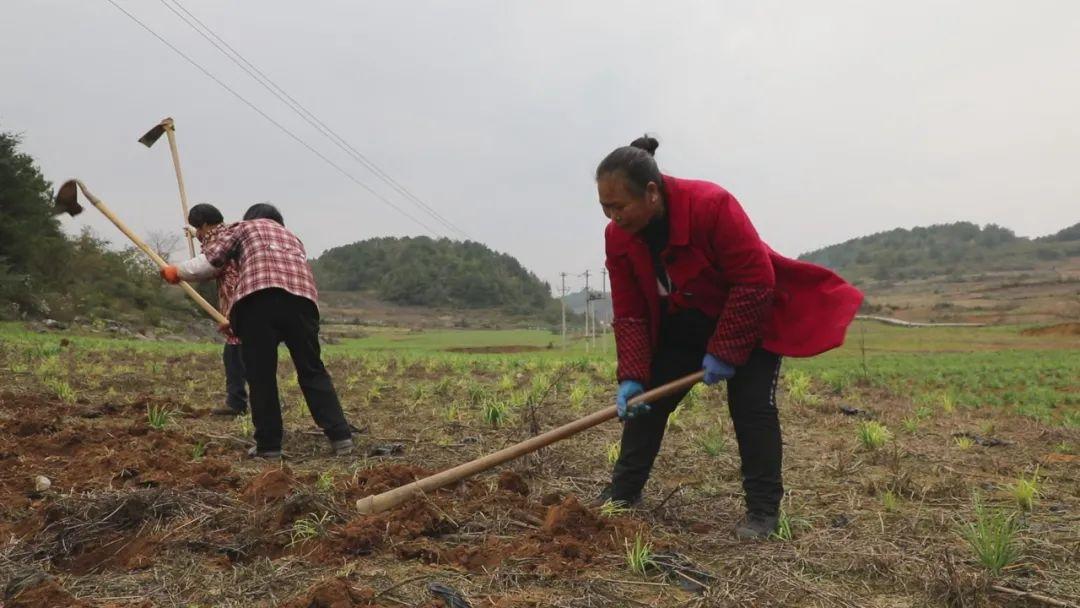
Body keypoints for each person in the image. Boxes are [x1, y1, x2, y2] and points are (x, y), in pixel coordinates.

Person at [596, 135, 862, 539]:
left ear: (651, 193)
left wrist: (726, 350)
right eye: (605, 207)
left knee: (752, 409)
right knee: (645, 403)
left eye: (620, 206)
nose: (613, 217)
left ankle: (762, 512)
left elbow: (756, 281)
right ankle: (622, 493)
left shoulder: (711, 206)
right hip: (683, 325)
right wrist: (632, 373)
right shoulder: (618, 237)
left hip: (747, 319)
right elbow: (630, 310)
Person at [161, 204, 354, 458]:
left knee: (261, 375)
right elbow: (282, 287)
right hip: (303, 304)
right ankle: (341, 438)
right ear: (279, 221)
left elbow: (211, 261)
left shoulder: (244, 228)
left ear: (250, 218)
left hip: (258, 302)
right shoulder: (293, 238)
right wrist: (237, 319)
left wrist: (177, 271)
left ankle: (269, 446)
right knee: (312, 370)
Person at [183, 203, 248, 417]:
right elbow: (208, 241)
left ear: (204, 224)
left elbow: (209, 263)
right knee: (240, 351)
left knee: (236, 352)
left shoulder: (220, 239)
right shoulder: (226, 232)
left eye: (199, 229)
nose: (200, 234)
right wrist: (194, 234)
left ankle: (237, 403)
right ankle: (240, 401)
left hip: (237, 297)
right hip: (244, 299)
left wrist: (176, 271)